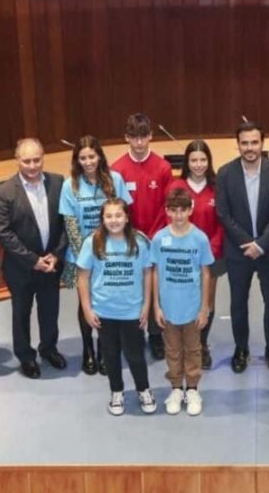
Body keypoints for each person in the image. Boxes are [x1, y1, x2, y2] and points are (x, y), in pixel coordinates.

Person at [216, 121, 269, 375]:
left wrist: (261, 244)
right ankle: (241, 348)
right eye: (244, 143)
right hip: (238, 252)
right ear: (238, 145)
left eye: (254, 142)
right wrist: (247, 243)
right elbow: (224, 214)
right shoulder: (225, 174)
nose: (249, 147)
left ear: (262, 143)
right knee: (238, 303)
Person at [0, 138, 67, 379]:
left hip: (51, 264)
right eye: (27, 161)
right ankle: (26, 356)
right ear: (17, 160)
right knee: (21, 313)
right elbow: (4, 232)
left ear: (43, 157)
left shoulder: (58, 183)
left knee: (50, 310)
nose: (33, 166)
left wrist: (56, 255)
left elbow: (67, 223)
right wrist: (33, 260)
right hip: (21, 267)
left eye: (37, 160)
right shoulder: (4, 191)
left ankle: (48, 349)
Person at [60, 135, 132, 375]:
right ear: (76, 160)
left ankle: (104, 350)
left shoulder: (115, 180)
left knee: (106, 302)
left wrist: (108, 254)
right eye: (83, 158)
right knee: (86, 304)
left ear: (99, 156)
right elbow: (71, 224)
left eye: (92, 156)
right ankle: (88, 350)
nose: (88, 161)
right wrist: (86, 258)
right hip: (82, 255)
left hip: (112, 254)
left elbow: (122, 216)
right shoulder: (70, 185)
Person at [77, 198, 157, 416]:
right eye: (109, 216)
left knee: (135, 355)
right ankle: (116, 391)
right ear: (102, 219)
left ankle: (144, 389)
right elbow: (83, 277)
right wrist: (87, 309)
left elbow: (148, 273)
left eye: (118, 215)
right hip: (104, 311)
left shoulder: (139, 241)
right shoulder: (92, 241)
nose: (114, 220)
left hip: (131, 311)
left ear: (127, 217)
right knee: (110, 355)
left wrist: (146, 306)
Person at [111, 113, 174, 360]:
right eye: (133, 137)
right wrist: (131, 234)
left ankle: (157, 335)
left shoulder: (163, 167)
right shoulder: (117, 169)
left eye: (143, 137)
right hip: (128, 239)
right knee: (132, 288)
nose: (138, 143)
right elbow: (117, 207)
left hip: (156, 237)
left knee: (156, 287)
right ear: (127, 137)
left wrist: (154, 235)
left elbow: (167, 206)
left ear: (150, 136)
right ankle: (133, 335)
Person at [151, 188, 214, 416]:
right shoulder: (159, 239)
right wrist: (156, 306)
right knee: (173, 350)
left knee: (193, 349)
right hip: (168, 309)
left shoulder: (199, 238)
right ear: (167, 211)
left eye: (183, 210)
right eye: (173, 210)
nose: (178, 215)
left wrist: (204, 308)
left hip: (192, 308)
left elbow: (206, 273)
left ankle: (193, 389)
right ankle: (176, 388)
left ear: (191, 210)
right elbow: (156, 271)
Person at [165, 140, 225, 370]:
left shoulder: (217, 187)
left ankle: (202, 345)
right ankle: (181, 345)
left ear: (209, 161)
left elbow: (222, 222)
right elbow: (169, 219)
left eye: (203, 159)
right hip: (180, 256)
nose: (198, 164)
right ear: (186, 162)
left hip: (211, 255)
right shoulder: (176, 186)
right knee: (183, 298)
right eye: (194, 160)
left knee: (206, 301)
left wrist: (212, 248)